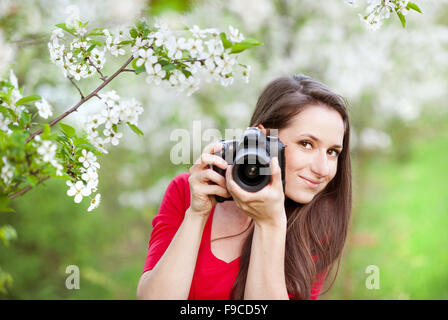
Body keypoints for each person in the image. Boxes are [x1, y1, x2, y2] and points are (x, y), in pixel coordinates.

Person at [137, 74, 352, 300]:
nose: (323, 169)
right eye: (306, 144)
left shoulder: (318, 226)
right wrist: (196, 214)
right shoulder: (187, 190)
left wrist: (270, 224)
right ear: (262, 136)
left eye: (332, 152)